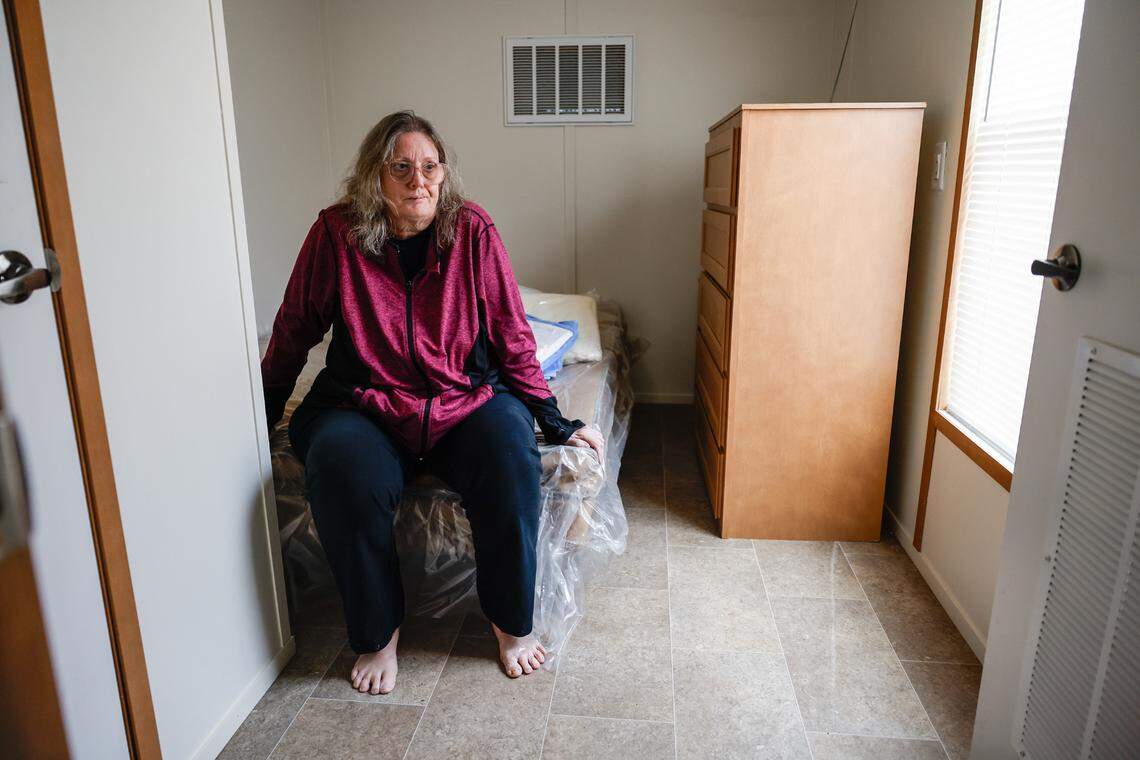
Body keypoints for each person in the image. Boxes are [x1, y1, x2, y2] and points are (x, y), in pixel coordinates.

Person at [260, 110, 604, 694]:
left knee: (508, 450)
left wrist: (555, 420)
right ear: (375, 176)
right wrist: (260, 414)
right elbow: (294, 328)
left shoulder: (472, 230)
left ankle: (510, 625)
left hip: (463, 399)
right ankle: (377, 634)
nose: (418, 181)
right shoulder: (336, 233)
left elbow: (510, 332)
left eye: (429, 167)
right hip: (364, 402)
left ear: (444, 175)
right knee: (341, 466)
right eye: (401, 168)